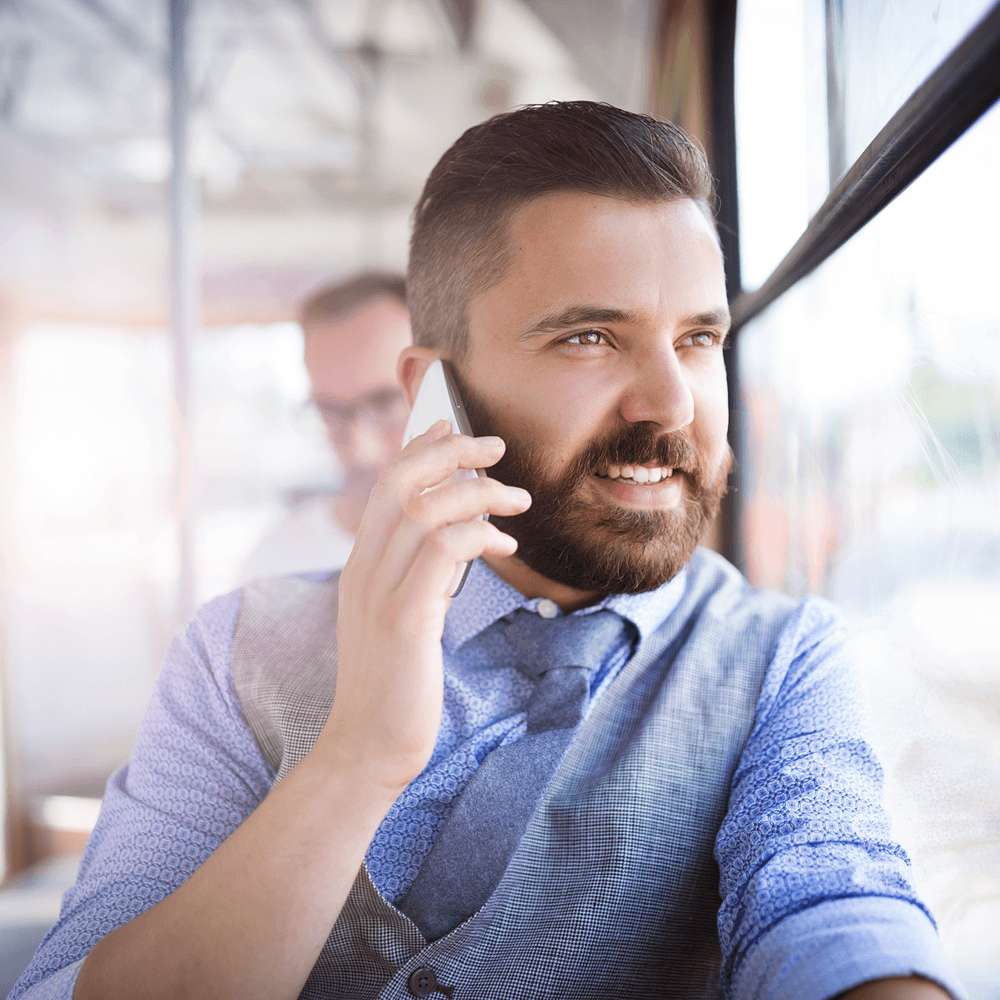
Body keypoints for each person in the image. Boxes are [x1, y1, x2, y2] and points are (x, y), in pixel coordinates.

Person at [11, 102, 966, 1000]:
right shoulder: (233, 652)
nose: (672, 404)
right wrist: (357, 759)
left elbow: (837, 905)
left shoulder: (784, 657)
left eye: (699, 338)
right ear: (437, 392)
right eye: (591, 338)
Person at [237, 272, 412, 582]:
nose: (361, 447)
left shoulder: (508, 553)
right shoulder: (277, 569)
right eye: (331, 411)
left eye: (385, 403)